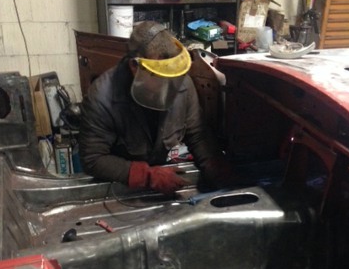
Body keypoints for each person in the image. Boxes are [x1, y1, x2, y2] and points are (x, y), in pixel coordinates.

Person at [79, 21, 234, 195]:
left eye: (172, 75)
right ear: (135, 67)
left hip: (160, 178)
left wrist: (217, 170)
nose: (169, 85)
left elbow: (197, 135)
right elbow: (93, 159)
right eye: (160, 76)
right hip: (120, 186)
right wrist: (147, 176)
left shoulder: (181, 84)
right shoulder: (102, 97)